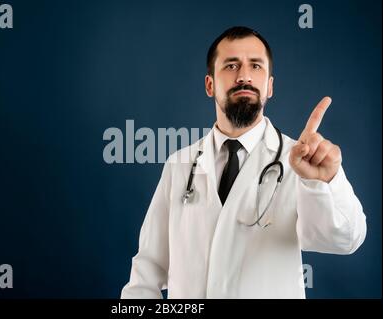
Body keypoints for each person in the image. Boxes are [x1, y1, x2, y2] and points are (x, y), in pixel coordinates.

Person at [121, 26, 367, 299]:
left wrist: (322, 180)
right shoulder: (179, 165)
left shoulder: (302, 161)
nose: (244, 76)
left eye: (256, 66)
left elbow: (345, 240)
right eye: (231, 65)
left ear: (270, 86)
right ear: (210, 84)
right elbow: (148, 270)